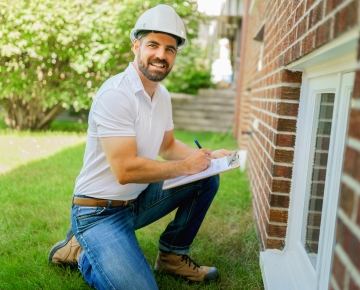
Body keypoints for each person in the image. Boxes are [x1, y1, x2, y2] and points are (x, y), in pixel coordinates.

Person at [48, 4, 233, 290]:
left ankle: (172, 255)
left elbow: (168, 145)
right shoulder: (116, 95)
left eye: (170, 49)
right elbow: (124, 170)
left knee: (207, 176)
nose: (161, 55)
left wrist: (209, 157)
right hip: (98, 212)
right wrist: (186, 166)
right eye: (153, 45)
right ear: (136, 45)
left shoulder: (162, 95)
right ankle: (81, 252)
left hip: (136, 202)